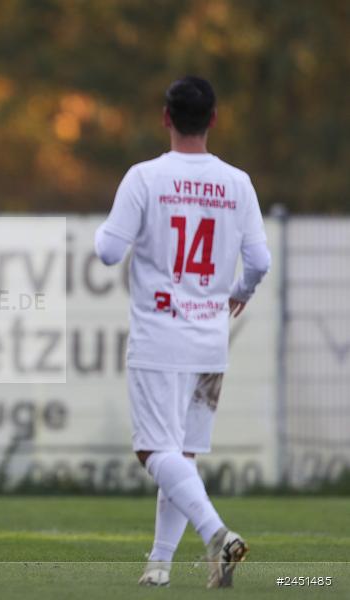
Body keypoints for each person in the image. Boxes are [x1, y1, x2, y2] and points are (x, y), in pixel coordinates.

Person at [94, 76, 270, 588]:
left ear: (166, 118)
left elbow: (108, 251)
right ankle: (160, 565)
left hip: (160, 335)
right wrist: (240, 291)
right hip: (210, 339)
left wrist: (99, 233)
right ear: (213, 119)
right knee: (181, 455)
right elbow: (260, 260)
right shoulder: (237, 182)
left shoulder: (146, 177)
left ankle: (218, 532)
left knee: (153, 451)